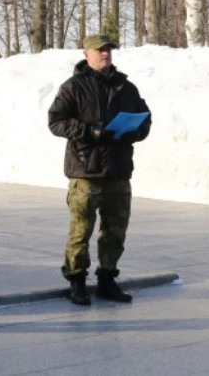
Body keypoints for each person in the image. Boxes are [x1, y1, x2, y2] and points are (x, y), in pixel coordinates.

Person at [48, 33, 151, 305]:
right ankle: (77, 280)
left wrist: (135, 131)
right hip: (86, 172)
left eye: (108, 49)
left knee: (115, 231)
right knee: (81, 230)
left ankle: (107, 278)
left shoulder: (126, 87)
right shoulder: (73, 86)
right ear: (86, 53)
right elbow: (56, 121)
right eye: (100, 50)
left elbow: (145, 118)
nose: (105, 54)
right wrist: (91, 132)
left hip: (118, 171)